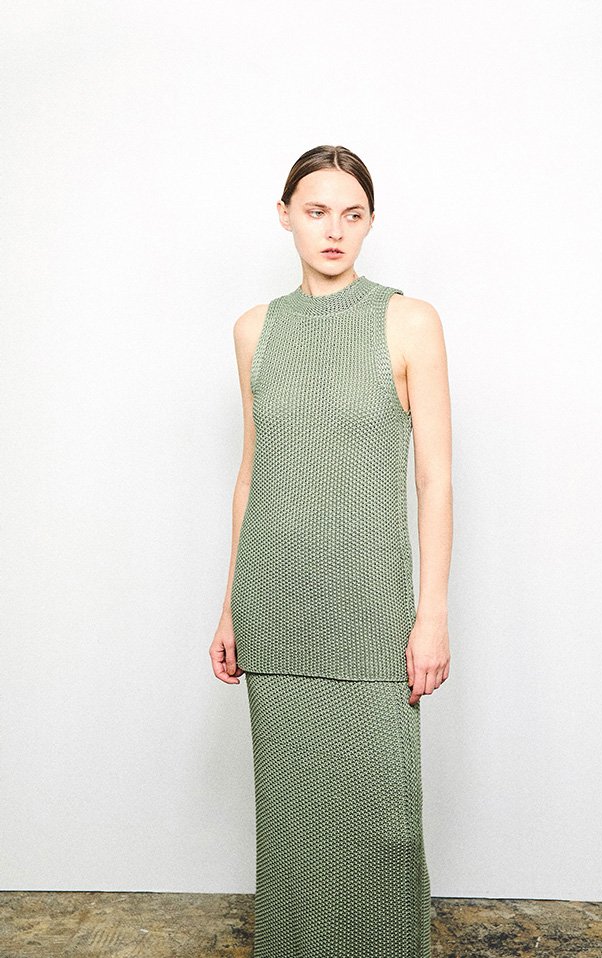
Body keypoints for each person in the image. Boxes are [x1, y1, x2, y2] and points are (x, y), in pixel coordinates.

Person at [210, 144, 452, 958]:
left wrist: (431, 615)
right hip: (275, 611)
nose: (335, 230)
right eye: (317, 212)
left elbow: (436, 480)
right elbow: (253, 474)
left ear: (370, 222)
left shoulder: (408, 320)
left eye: (353, 214)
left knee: (385, 828)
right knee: (293, 831)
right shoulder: (255, 331)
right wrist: (229, 608)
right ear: (285, 215)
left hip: (373, 614)